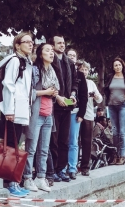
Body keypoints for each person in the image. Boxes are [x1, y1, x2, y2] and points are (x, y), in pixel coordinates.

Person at [0, 31, 34, 197]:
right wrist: (9, 110)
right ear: (18, 45)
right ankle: (10, 184)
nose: (31, 44)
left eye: (32, 42)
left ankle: (14, 182)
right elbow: (8, 85)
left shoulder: (25, 62)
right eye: (26, 42)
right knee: (11, 147)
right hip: (13, 111)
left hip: (19, 110)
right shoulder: (15, 61)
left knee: (15, 147)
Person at [22, 42, 58, 193]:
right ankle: (27, 178)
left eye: (52, 51)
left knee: (44, 149)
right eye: (48, 50)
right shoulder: (35, 70)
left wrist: (55, 94)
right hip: (36, 114)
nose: (51, 53)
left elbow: (55, 90)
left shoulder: (52, 71)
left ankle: (41, 178)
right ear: (40, 53)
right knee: (31, 149)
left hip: (49, 114)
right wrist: (46, 92)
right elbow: (29, 92)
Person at [48, 35, 78, 183]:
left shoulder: (70, 63)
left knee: (64, 140)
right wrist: (57, 97)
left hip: (67, 107)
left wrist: (73, 94)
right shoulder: (50, 61)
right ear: (52, 45)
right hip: (53, 106)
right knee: (53, 140)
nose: (62, 45)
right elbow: (48, 82)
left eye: (63, 42)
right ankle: (52, 170)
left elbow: (75, 82)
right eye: (59, 43)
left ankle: (61, 169)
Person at [77, 61, 103, 176]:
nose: (84, 71)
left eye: (86, 70)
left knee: (87, 142)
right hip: (75, 114)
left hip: (88, 115)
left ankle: (85, 167)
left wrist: (96, 96)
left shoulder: (91, 83)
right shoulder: (75, 81)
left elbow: (100, 99)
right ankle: (72, 166)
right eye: (82, 69)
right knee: (74, 142)